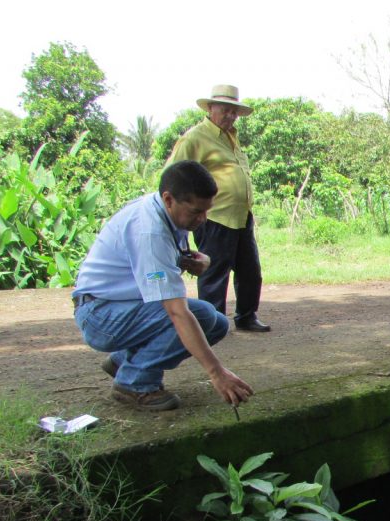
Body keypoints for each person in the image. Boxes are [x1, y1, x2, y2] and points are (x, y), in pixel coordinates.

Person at [72, 161, 254, 412]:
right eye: (195, 212)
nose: (202, 219)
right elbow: (176, 312)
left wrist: (196, 260)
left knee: (217, 323)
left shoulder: (164, 212)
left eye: (206, 211)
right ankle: (134, 383)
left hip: (121, 306)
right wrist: (217, 373)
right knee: (197, 315)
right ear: (169, 199)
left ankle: (124, 362)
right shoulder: (150, 231)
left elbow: (164, 260)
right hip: (100, 315)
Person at [166, 84, 271, 332]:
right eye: (225, 110)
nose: (230, 116)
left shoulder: (232, 138)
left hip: (241, 215)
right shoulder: (195, 137)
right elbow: (174, 173)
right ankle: (211, 322)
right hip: (213, 216)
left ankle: (246, 316)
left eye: (234, 112)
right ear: (211, 108)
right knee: (214, 272)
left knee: (250, 271)